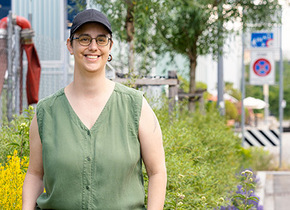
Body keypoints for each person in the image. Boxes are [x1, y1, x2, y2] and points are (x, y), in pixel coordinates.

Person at [22, 9, 167, 210]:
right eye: (83, 39)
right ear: (69, 45)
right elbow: (35, 174)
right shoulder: (46, 113)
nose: (93, 47)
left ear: (110, 46)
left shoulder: (136, 107)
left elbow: (157, 172)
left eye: (101, 40)